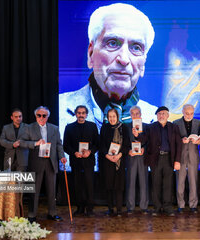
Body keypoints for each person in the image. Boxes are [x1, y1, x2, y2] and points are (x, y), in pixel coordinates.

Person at [59, 3, 157, 136]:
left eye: (136, 47)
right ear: (91, 54)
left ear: (143, 64)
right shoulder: (55, 111)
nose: (124, 59)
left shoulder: (157, 119)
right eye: (112, 43)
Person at [20, 106, 67, 223]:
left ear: (48, 116)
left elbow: (59, 145)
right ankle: (32, 214)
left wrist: (62, 156)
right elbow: (22, 142)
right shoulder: (29, 128)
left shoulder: (54, 128)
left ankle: (52, 213)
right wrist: (36, 143)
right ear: (36, 116)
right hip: (36, 162)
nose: (41, 118)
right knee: (34, 190)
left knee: (52, 190)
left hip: (51, 162)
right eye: (39, 115)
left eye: (44, 115)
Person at [133, 106, 182, 216]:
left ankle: (168, 207)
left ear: (168, 115)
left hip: (169, 159)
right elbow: (143, 139)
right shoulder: (151, 127)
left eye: (163, 113)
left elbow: (179, 145)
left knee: (168, 184)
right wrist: (137, 136)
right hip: (155, 159)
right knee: (156, 184)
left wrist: (177, 160)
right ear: (156, 116)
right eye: (159, 114)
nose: (161, 116)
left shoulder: (174, 127)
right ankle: (157, 207)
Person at [63, 105, 99, 217]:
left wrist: (90, 151)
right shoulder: (69, 127)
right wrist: (74, 152)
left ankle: (90, 209)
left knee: (89, 185)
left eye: (83, 113)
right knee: (77, 185)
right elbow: (66, 145)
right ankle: (80, 208)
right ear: (76, 114)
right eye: (79, 113)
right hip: (76, 161)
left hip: (88, 161)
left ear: (86, 114)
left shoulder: (92, 126)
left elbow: (97, 144)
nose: (81, 115)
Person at [99, 108, 130, 217]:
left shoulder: (124, 128)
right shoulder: (104, 128)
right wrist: (108, 156)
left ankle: (119, 210)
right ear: (107, 117)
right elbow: (101, 145)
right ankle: (111, 208)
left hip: (119, 161)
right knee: (109, 186)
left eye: (114, 116)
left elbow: (127, 145)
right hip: (107, 161)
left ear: (117, 117)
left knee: (119, 186)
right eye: (110, 116)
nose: (112, 119)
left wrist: (119, 155)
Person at [173, 104, 200, 214]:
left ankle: (193, 205)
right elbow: (173, 140)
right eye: (187, 113)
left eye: (191, 113)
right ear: (183, 112)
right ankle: (180, 205)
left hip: (193, 155)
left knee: (193, 181)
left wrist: (199, 141)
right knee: (180, 182)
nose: (189, 115)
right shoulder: (176, 123)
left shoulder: (198, 123)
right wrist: (181, 140)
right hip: (180, 156)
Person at [125, 106, 149, 214]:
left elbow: (150, 142)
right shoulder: (126, 127)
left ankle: (144, 206)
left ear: (141, 114)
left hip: (143, 157)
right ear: (130, 115)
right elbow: (123, 143)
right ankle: (130, 207)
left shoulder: (147, 127)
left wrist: (145, 148)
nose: (135, 115)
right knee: (131, 181)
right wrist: (128, 151)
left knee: (144, 181)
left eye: (137, 113)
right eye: (133, 114)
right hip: (131, 157)